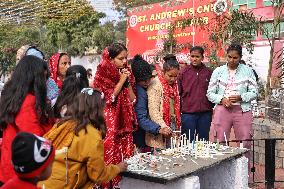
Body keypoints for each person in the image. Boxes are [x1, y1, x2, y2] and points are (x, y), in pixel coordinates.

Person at [40, 88, 127, 188]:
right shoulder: (92, 135)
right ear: (98, 109)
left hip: (46, 182)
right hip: (65, 184)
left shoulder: (63, 123)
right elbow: (98, 175)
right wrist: (117, 168)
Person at [0, 56, 52, 183]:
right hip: (21, 172)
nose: (45, 83)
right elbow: (34, 136)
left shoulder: (12, 97)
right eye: (43, 78)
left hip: (9, 166)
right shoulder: (28, 101)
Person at [93, 43, 137, 188]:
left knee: (126, 153)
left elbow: (132, 99)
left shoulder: (125, 72)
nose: (124, 62)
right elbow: (109, 98)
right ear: (110, 58)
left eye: (126, 58)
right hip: (109, 119)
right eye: (120, 58)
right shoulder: (102, 73)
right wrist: (122, 80)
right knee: (109, 152)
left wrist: (128, 82)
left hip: (125, 121)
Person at [207, 43, 257, 153]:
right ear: (226, 55)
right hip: (222, 109)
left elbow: (254, 92)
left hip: (243, 110)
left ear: (240, 58)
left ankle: (244, 170)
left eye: (235, 58)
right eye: (229, 57)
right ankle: (220, 170)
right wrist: (222, 99)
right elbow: (210, 93)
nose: (232, 60)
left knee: (245, 142)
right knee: (219, 141)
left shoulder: (248, 71)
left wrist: (241, 97)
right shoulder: (218, 71)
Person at [131, 55, 172, 152]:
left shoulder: (147, 87)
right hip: (140, 135)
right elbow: (141, 118)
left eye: (149, 78)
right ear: (136, 79)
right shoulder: (140, 92)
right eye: (143, 80)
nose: (147, 82)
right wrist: (159, 129)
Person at [178, 46, 213, 141]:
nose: (194, 59)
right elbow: (179, 92)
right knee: (187, 141)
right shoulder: (183, 73)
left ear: (202, 57)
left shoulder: (208, 73)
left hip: (205, 113)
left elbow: (213, 91)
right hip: (188, 114)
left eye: (197, 56)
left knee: (203, 142)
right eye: (192, 56)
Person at [147, 54, 181, 149]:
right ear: (163, 72)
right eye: (170, 76)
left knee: (173, 153)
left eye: (175, 76)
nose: (173, 79)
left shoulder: (175, 84)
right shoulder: (155, 84)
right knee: (161, 155)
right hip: (159, 125)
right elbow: (153, 111)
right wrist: (163, 126)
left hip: (172, 123)